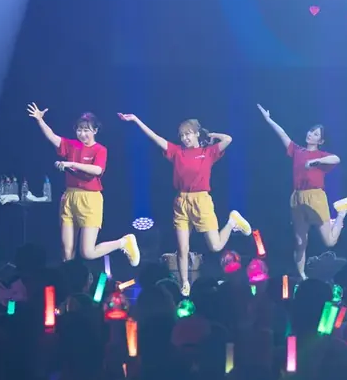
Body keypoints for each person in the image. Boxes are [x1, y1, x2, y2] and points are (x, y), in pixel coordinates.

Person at [117, 113, 251, 296]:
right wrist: (136, 120)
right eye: (182, 135)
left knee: (215, 246)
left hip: (201, 201)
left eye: (188, 134)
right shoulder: (177, 152)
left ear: (196, 134)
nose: (185, 138)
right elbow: (155, 137)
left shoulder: (208, 152)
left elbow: (228, 139)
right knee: (182, 248)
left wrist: (211, 135)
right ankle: (185, 284)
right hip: (181, 202)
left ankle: (232, 221)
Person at [27, 104, 140, 266]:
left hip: (90, 199)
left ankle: (123, 242)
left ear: (95, 130)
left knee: (87, 252)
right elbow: (52, 137)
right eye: (79, 130)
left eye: (86, 130)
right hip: (69, 197)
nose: (82, 133)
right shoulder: (72, 145)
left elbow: (97, 170)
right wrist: (40, 120)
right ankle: (69, 280)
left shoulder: (100, 149)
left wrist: (71, 164)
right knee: (67, 252)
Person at [256, 104, 347, 281]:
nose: (311, 134)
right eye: (311, 131)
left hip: (315, 197)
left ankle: (341, 213)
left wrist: (315, 162)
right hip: (297, 198)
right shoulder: (297, 151)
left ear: (321, 141)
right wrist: (269, 120)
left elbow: (336, 159)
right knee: (300, 242)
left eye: (316, 134)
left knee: (329, 242)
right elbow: (283, 135)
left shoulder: (322, 155)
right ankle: (302, 276)